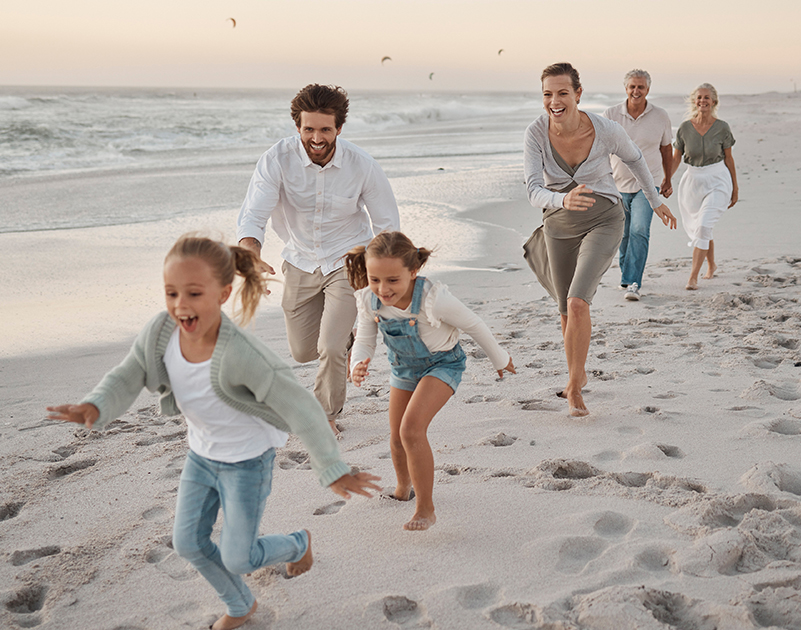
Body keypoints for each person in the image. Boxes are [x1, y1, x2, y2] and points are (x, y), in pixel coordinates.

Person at [46, 235, 381, 630]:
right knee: (189, 543)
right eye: (171, 293)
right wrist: (96, 405)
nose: (180, 305)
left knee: (239, 557)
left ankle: (296, 543)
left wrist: (332, 468)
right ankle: (240, 604)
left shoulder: (241, 353)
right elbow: (128, 374)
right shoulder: (161, 332)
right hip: (201, 457)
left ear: (223, 294)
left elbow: (301, 406)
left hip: (247, 463)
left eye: (193, 293)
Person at [236, 84, 400, 436]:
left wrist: (388, 275)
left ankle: (324, 413)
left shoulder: (362, 165)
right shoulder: (276, 159)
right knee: (302, 350)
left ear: (339, 128)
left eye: (325, 129)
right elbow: (253, 214)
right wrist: (251, 252)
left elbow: (387, 225)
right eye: (308, 129)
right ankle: (348, 340)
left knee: (329, 346)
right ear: (297, 126)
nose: (316, 137)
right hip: (300, 260)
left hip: (349, 261)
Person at [523, 62, 676, 416]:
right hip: (559, 222)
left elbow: (636, 160)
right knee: (564, 310)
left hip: (605, 217)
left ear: (578, 93)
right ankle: (579, 371)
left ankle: (574, 387)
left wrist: (655, 200)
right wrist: (562, 199)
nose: (555, 101)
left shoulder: (604, 128)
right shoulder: (535, 133)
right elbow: (533, 189)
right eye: (547, 94)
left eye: (563, 92)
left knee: (578, 302)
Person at [343, 232, 515, 531]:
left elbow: (474, 324)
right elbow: (365, 339)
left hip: (443, 365)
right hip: (404, 369)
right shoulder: (369, 300)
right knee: (396, 437)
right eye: (375, 280)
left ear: (413, 271)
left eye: (393, 280)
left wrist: (500, 358)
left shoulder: (434, 299)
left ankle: (426, 508)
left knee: (411, 430)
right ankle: (403, 489)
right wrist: (358, 362)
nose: (383, 289)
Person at [603, 69, 678, 301]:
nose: (636, 91)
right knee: (623, 234)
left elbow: (667, 149)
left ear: (648, 89)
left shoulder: (660, 116)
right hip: (617, 184)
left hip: (650, 183)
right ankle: (626, 276)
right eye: (632, 87)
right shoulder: (611, 114)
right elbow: (601, 148)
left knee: (639, 230)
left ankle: (634, 282)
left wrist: (667, 178)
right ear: (626, 88)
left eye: (641, 87)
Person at [672, 83, 739, 290]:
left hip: (718, 179)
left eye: (707, 98)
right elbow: (676, 159)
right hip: (692, 182)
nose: (703, 101)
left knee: (703, 225)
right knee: (702, 226)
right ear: (694, 101)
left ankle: (693, 277)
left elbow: (729, 159)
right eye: (699, 97)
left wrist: (735, 188)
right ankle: (711, 264)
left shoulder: (722, 128)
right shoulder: (684, 128)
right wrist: (665, 180)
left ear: (714, 101)